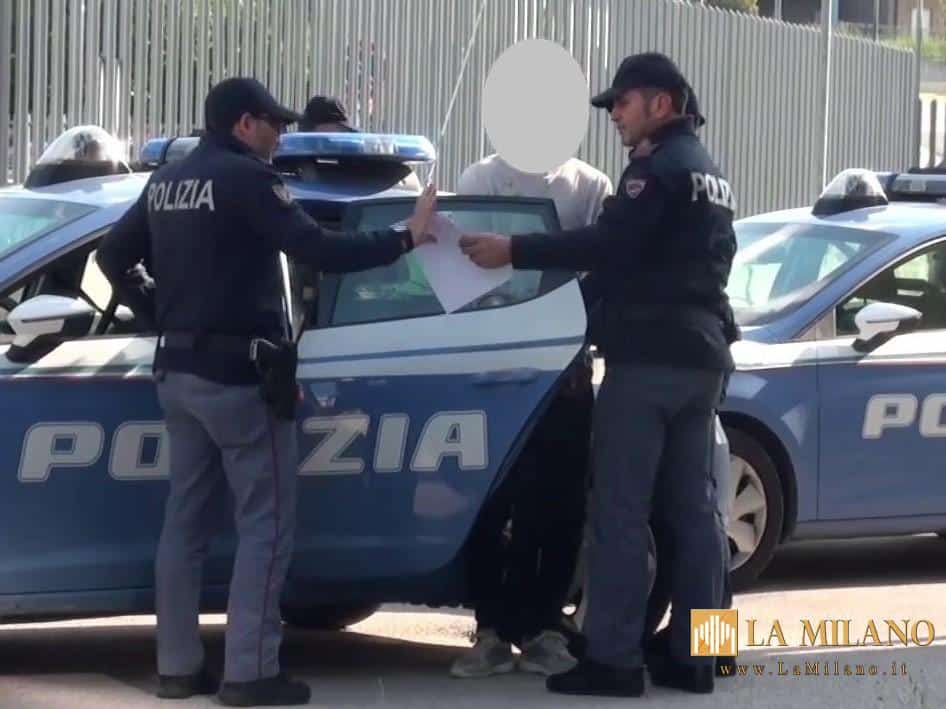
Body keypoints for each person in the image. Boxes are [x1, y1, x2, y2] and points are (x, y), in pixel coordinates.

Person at [97, 77, 436, 706]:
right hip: (238, 380)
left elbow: (113, 257)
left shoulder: (168, 179)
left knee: (185, 523)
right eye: (273, 124)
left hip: (178, 373)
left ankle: (177, 667)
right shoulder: (247, 178)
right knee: (265, 524)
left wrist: (160, 313)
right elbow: (317, 248)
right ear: (243, 124)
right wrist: (405, 237)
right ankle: (249, 674)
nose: (280, 135)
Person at [459, 52, 737, 698]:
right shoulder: (711, 172)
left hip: (647, 360)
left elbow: (606, 250)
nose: (614, 114)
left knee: (620, 511)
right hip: (703, 360)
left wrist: (514, 250)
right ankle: (704, 657)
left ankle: (613, 660)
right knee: (697, 515)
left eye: (623, 102)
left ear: (661, 104)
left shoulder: (653, 170)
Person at [448, 156, 611, 678]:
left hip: (562, 367)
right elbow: (461, 272)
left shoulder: (590, 186)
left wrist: (575, 339)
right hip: (489, 364)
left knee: (559, 504)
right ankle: (492, 630)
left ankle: (544, 628)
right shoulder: (479, 180)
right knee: (488, 502)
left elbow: (603, 266)